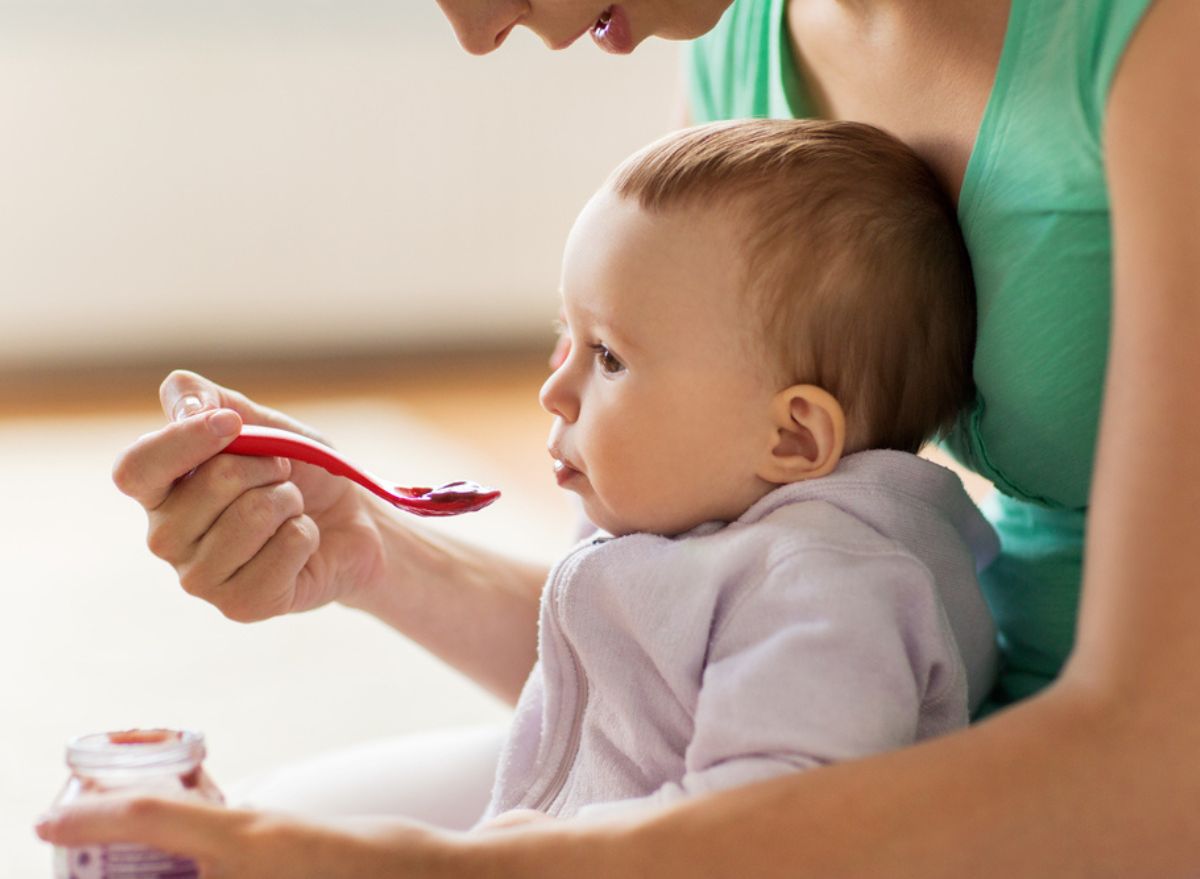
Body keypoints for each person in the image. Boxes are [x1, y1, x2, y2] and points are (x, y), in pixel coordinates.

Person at [36, 0, 1200, 875]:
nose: (477, 28)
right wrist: (375, 549)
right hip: (955, 745)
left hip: (1103, 797)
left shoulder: (1155, 44)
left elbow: (1155, 772)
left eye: (601, 358)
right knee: (292, 811)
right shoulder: (747, 47)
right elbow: (690, 633)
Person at [480, 118, 996, 825]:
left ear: (791, 436)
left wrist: (545, 854)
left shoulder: (830, 594)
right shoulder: (678, 504)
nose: (554, 391)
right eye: (563, 337)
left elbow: (765, 827)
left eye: (608, 358)